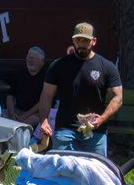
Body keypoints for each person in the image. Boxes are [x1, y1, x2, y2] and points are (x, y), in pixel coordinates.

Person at [28, 21, 124, 155]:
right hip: (65, 130)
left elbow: (118, 97)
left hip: (95, 132)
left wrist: (102, 118)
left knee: (95, 172)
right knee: (62, 172)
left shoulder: (106, 66)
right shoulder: (59, 66)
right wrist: (44, 121)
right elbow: (46, 95)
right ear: (73, 40)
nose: (81, 44)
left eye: (85, 40)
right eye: (78, 40)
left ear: (94, 41)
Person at [5, 45, 49, 122]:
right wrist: (12, 113)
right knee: (1, 115)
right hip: (17, 110)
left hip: (35, 114)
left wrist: (24, 116)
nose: (30, 60)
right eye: (29, 57)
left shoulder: (46, 77)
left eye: (33, 58)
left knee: (30, 121)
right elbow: (10, 95)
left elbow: (43, 101)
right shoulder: (20, 73)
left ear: (41, 62)